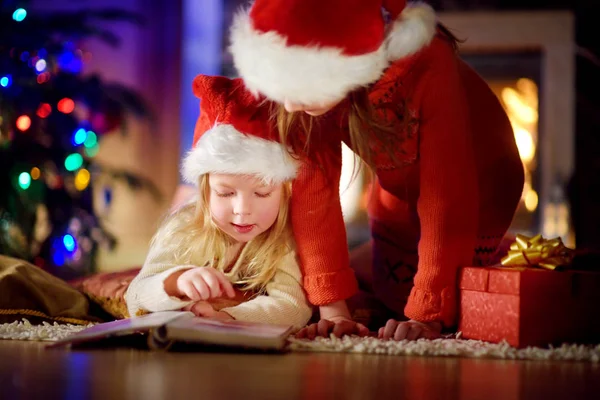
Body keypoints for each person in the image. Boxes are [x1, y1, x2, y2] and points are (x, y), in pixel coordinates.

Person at [228, 0, 525, 340]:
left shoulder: (428, 63)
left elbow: (447, 196)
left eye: (303, 89)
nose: (293, 105)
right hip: (395, 192)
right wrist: (333, 309)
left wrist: (428, 314)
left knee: (446, 309)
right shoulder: (298, 95)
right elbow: (313, 197)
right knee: (385, 300)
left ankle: (509, 259)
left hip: (480, 190)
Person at [125, 75, 312, 331]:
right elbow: (134, 297)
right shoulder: (184, 225)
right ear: (204, 192)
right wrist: (176, 283)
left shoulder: (285, 235)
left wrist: (227, 317)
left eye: (262, 194)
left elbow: (293, 307)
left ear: (284, 191)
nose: (242, 210)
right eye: (225, 193)